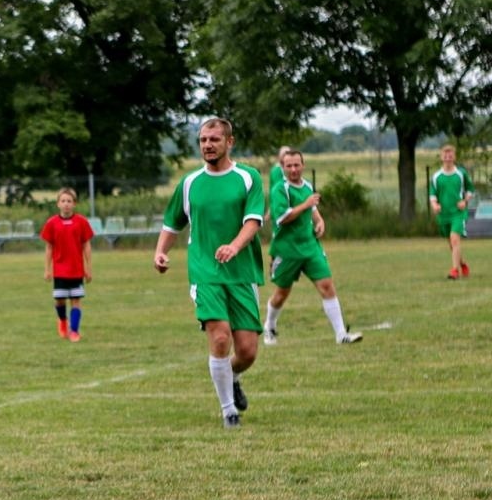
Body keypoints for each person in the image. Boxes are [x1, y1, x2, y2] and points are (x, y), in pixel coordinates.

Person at [153, 118, 266, 429]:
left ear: (229, 142)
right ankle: (229, 411)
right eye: (203, 140)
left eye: (214, 139)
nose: (208, 145)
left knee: (247, 351)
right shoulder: (190, 184)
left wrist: (234, 246)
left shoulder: (248, 177)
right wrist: (161, 251)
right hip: (205, 271)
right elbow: (171, 223)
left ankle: (232, 377)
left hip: (241, 272)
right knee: (219, 338)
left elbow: (254, 221)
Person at [263, 149, 362, 345]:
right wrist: (305, 204)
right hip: (287, 249)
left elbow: (313, 209)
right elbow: (282, 218)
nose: (293, 169)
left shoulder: (307, 185)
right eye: (288, 165)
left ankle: (341, 335)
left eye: (296, 165)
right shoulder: (280, 189)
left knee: (327, 286)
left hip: (310, 246)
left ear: (303, 165)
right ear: (282, 167)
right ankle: (269, 326)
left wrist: (320, 222)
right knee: (281, 293)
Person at [39, 186, 95, 341]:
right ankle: (63, 321)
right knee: (60, 300)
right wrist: (47, 269)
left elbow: (86, 245)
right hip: (60, 271)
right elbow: (49, 247)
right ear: (58, 204)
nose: (66, 204)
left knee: (76, 300)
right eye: (63, 201)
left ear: (74, 203)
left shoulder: (81, 222)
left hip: (77, 270)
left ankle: (74, 331)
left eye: (69, 201)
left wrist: (88, 268)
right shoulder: (52, 223)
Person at [428, 145, 474, 279]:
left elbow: (470, 190)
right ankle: (462, 264)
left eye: (450, 155)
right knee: (452, 243)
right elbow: (432, 194)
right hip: (444, 214)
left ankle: (454, 271)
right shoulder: (437, 176)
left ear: (454, 157)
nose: (448, 157)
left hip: (458, 213)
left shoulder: (461, 174)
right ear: (441, 157)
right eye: (445, 155)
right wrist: (434, 205)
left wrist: (465, 201)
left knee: (455, 239)